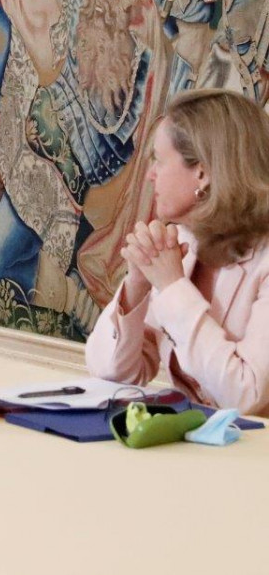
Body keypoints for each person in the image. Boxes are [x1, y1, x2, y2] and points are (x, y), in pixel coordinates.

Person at [85, 89, 269, 415]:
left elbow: (246, 395)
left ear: (202, 172)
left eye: (159, 159)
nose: (150, 173)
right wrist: (137, 284)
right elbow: (113, 374)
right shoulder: (184, 243)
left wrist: (173, 287)